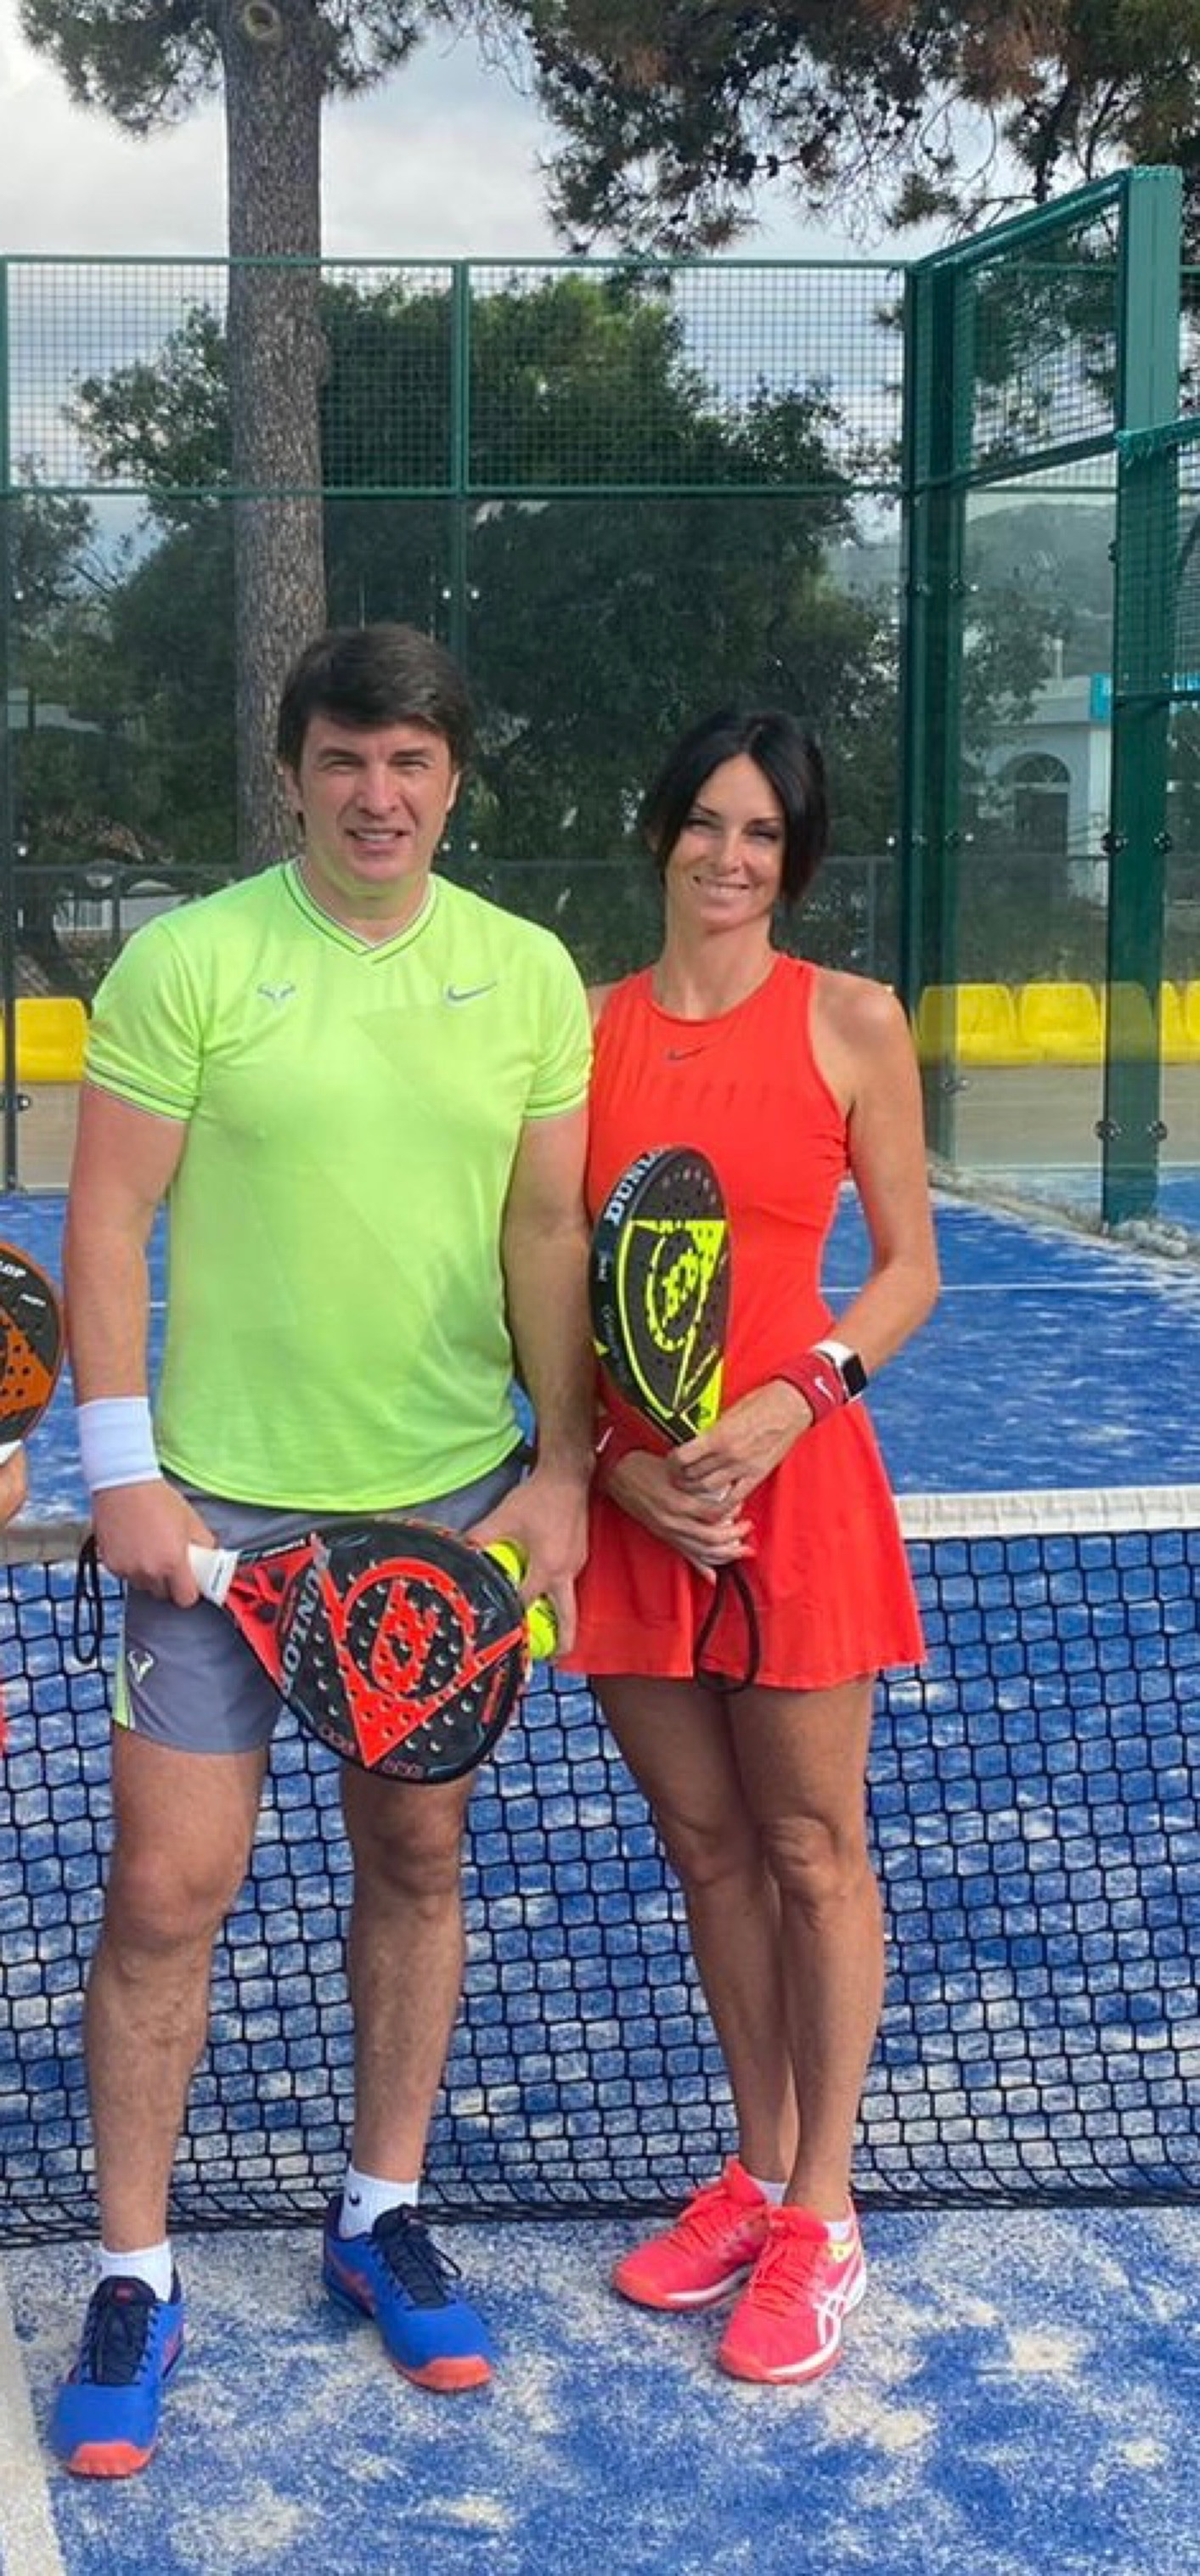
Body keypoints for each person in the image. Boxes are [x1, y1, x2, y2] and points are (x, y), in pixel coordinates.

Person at [51, 623, 594, 2477]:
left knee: (416, 1856)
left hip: (439, 1510)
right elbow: (106, 1217)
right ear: (291, 774)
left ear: (453, 781)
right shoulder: (188, 960)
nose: (378, 794)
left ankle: (379, 2209)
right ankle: (135, 2271)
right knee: (164, 1892)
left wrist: (563, 1467)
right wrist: (124, 1471)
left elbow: (545, 1232)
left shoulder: (526, 975)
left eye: (410, 762)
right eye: (345, 759)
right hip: (212, 1506)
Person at [563, 706, 938, 2387]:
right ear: (661, 832)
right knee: (707, 1849)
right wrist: (615, 1469)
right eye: (706, 822)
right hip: (636, 1504)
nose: (728, 856)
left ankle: (823, 2212)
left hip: (796, 1485)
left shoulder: (852, 1020)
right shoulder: (578, 1033)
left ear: (794, 860)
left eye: (762, 834)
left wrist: (801, 1394)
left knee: (808, 1847)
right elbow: (540, 1278)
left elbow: (908, 1270)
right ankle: (757, 2166)